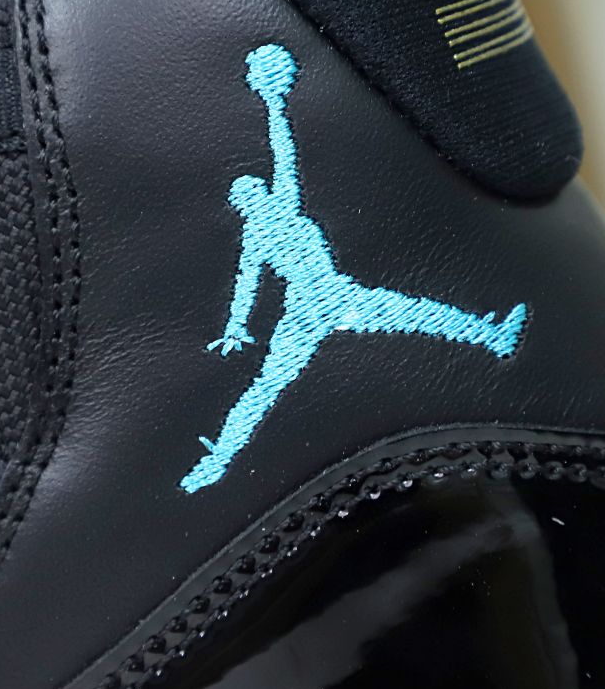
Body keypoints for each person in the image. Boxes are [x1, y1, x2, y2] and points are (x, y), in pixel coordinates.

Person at [182, 44, 528, 492]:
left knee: (410, 317)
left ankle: (218, 461)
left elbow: (282, 155)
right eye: (250, 195)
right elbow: (246, 284)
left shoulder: (274, 216)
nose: (255, 196)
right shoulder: (271, 220)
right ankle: (218, 460)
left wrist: (274, 104)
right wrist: (273, 103)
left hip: (322, 299)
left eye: (254, 190)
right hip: (317, 303)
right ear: (248, 204)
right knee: (275, 381)